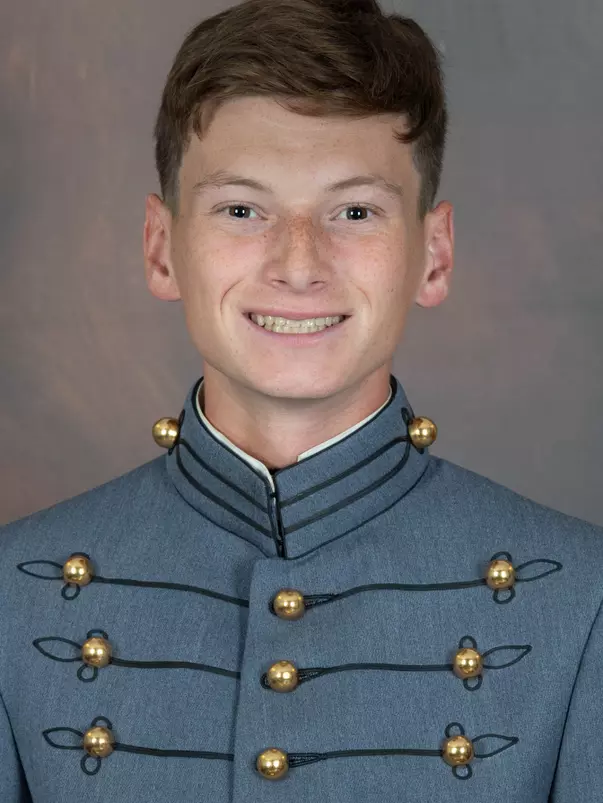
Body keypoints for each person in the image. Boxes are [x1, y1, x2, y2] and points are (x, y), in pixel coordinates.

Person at [1, 0, 601, 799]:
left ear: (433, 254)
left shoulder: (582, 598)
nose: (298, 263)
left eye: (353, 211)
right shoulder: (14, 590)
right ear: (160, 248)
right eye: (241, 209)